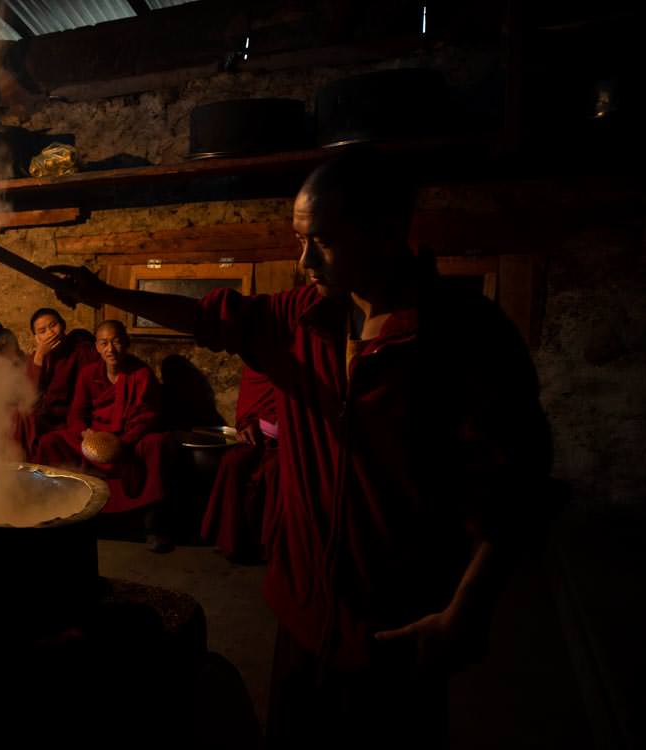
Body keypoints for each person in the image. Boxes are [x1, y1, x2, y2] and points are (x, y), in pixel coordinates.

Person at [49, 151, 553, 746]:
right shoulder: (301, 318)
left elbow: (518, 486)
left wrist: (464, 611)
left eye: (324, 241)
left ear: (387, 231)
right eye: (299, 239)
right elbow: (207, 316)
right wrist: (102, 290)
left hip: (399, 624)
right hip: (303, 612)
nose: (304, 260)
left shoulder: (465, 336)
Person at [33, 320, 171, 551]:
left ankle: (152, 526)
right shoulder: (89, 374)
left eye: (116, 342)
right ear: (97, 347)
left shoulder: (141, 374)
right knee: (51, 442)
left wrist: (121, 443)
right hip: (93, 438)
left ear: (126, 344)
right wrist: (86, 433)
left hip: (128, 439)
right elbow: (76, 413)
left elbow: (147, 416)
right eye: (104, 343)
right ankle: (58, 513)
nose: (110, 349)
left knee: (156, 444)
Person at [199, 365, 280, 563]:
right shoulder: (256, 368)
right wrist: (246, 425)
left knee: (273, 471)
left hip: (287, 444)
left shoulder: (297, 368)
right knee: (232, 462)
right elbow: (248, 408)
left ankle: (269, 548)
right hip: (257, 438)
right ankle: (231, 541)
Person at [16, 307, 99, 460]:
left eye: (53, 325)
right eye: (42, 331)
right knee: (16, 418)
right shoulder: (35, 358)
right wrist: (40, 357)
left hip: (70, 417)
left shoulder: (81, 351)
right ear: (36, 338)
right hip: (44, 418)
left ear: (63, 325)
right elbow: (28, 396)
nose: (50, 333)